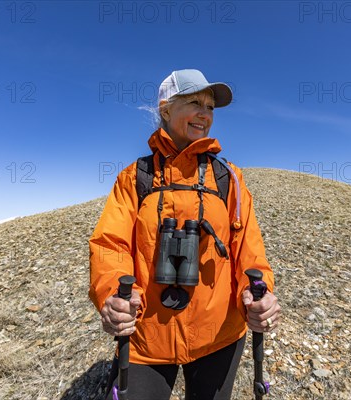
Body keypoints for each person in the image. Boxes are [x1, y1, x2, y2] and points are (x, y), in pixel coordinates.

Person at [89, 69, 281, 400]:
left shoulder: (228, 179)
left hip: (220, 335)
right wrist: (112, 295)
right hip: (147, 337)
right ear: (166, 109)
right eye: (194, 102)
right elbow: (111, 245)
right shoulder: (135, 178)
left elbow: (249, 249)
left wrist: (257, 293)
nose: (205, 114)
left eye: (210, 106)